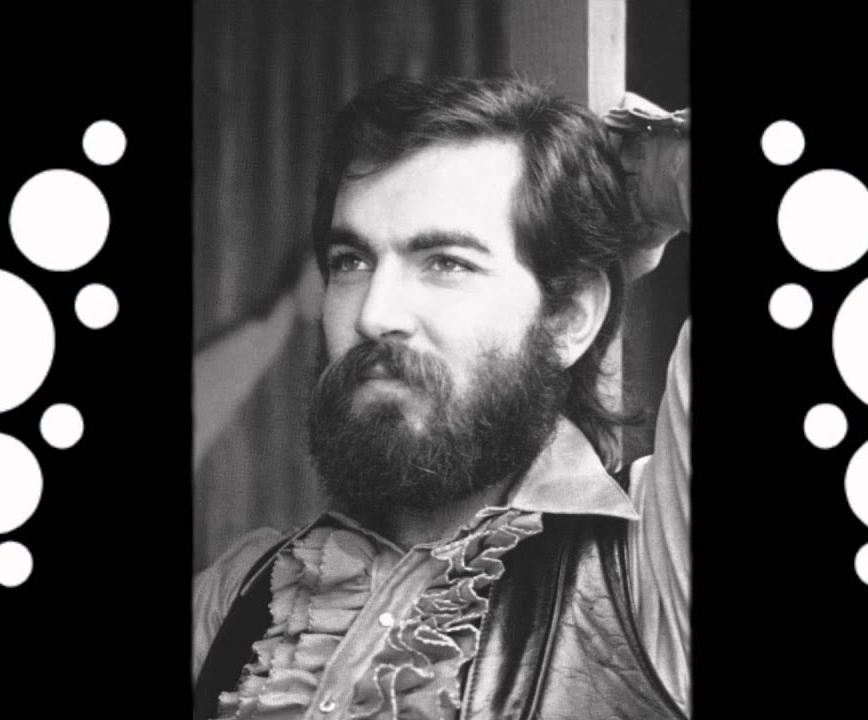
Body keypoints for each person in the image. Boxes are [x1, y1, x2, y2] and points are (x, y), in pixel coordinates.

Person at [192, 75, 691, 720]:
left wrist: (661, 165)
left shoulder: (652, 572)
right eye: (350, 261)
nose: (375, 314)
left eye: (446, 262)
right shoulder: (238, 594)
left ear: (569, 316)